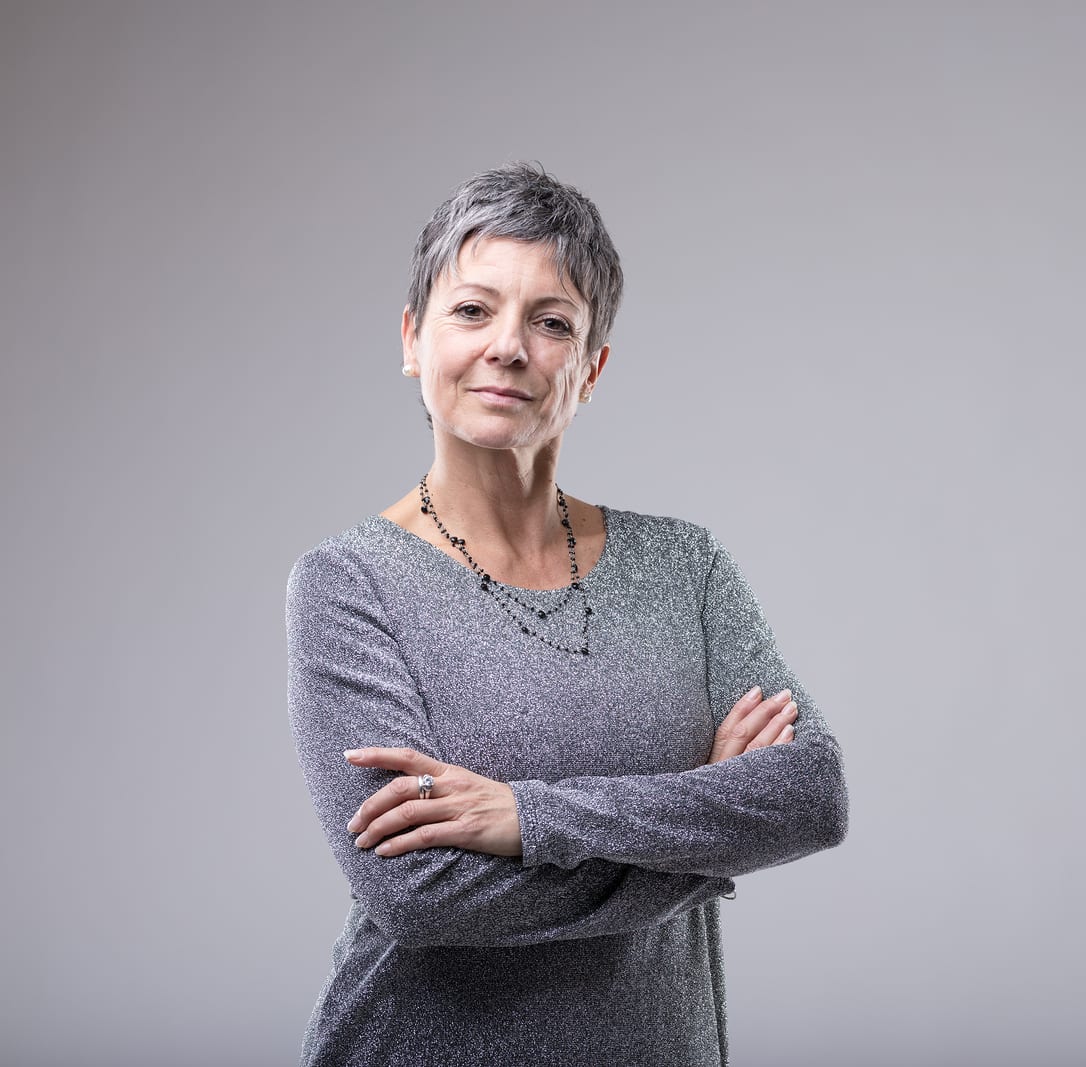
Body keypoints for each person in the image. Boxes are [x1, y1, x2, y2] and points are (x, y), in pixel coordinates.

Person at [284, 162, 849, 1067]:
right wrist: (704, 826)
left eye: (551, 323)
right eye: (472, 310)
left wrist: (526, 818)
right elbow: (418, 893)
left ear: (590, 369)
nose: (508, 346)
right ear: (410, 339)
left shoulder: (684, 566)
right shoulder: (350, 584)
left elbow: (811, 796)